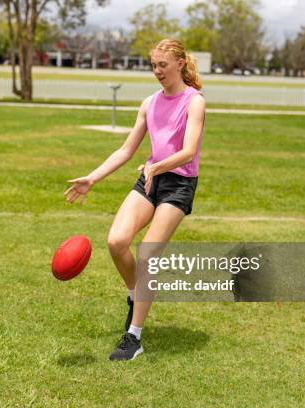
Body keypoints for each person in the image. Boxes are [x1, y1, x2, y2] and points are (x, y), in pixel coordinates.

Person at [64, 39, 206, 361]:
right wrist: (92, 178)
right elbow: (127, 150)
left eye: (163, 66)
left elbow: (188, 151)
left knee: (147, 256)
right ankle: (135, 294)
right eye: (153, 66)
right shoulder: (149, 103)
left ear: (180, 64)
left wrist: (156, 165)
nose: (157, 72)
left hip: (179, 184)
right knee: (116, 241)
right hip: (151, 179)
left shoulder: (194, 102)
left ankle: (134, 337)